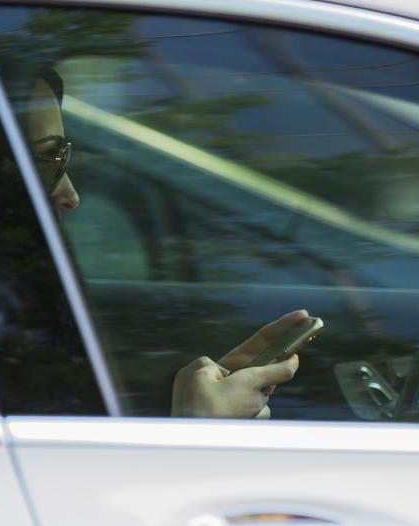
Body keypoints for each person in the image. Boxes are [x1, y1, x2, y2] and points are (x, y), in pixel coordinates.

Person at [24, 70, 304, 419]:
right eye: (48, 159)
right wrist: (202, 436)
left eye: (63, 155)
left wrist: (192, 414)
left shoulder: (16, 329)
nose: (72, 196)